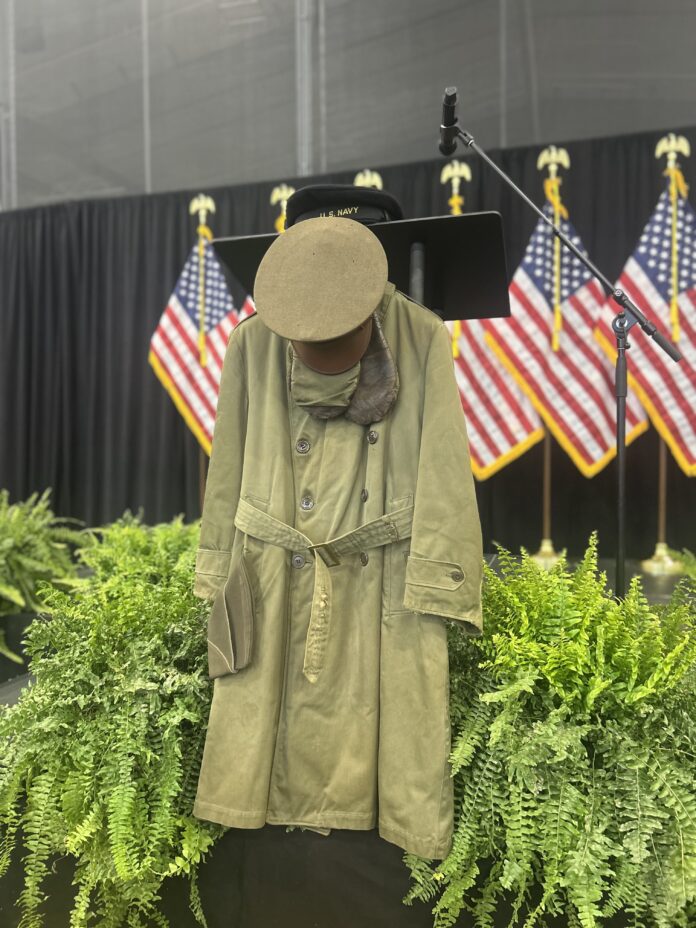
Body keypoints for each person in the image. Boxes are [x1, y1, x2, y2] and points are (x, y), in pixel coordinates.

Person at [192, 185, 483, 859]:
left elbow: (443, 467)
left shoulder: (421, 335)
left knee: (394, 723)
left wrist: (440, 585)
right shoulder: (251, 342)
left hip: (380, 574)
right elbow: (228, 464)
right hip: (275, 570)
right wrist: (216, 569)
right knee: (265, 729)